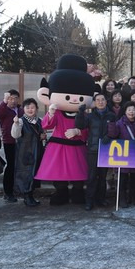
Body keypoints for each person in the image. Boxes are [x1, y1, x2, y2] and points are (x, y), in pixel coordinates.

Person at [34, 54, 95, 206]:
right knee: (59, 174)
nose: (74, 100)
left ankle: (77, 193)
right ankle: (61, 193)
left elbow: (88, 129)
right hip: (59, 147)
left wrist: (78, 132)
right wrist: (51, 112)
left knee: (78, 173)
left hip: (77, 146)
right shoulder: (58, 113)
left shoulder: (84, 114)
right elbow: (46, 125)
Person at [76, 93, 117, 211]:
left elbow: (114, 131)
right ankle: (89, 200)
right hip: (93, 150)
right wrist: (80, 113)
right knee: (92, 176)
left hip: (105, 150)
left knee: (103, 177)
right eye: (98, 100)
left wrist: (109, 136)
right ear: (94, 102)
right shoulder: (90, 116)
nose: (100, 102)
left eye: (102, 100)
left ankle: (101, 199)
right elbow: (80, 125)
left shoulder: (111, 115)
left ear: (106, 101)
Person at [11, 98, 46, 207]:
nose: (30, 110)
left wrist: (43, 137)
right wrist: (15, 124)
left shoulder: (40, 120)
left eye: (32, 107)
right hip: (25, 152)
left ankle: (31, 195)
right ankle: (27, 197)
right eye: (27, 108)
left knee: (34, 174)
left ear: (36, 109)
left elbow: (43, 136)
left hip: (37, 152)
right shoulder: (20, 121)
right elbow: (15, 135)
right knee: (26, 174)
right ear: (23, 109)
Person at [107, 102, 135, 208]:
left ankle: (133, 196)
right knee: (123, 178)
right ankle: (122, 198)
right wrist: (111, 124)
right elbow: (113, 134)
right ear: (125, 111)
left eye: (133, 110)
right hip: (123, 154)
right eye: (129, 110)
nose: (132, 112)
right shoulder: (120, 123)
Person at [0, 89, 22, 202]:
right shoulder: (4, 110)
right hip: (9, 142)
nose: (13, 101)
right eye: (11, 98)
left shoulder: (21, 111)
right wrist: (4, 101)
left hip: (21, 142)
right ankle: (8, 192)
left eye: (16, 98)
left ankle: (18, 188)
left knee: (19, 165)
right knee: (11, 165)